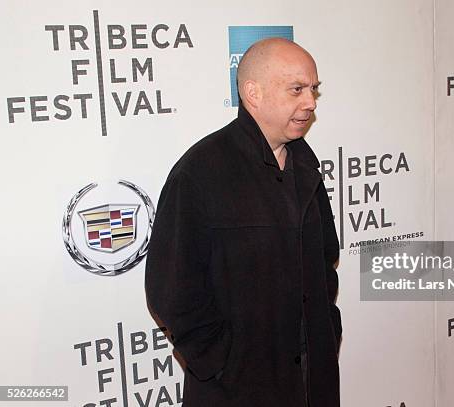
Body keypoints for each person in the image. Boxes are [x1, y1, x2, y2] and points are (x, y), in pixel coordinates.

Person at [145, 38, 342, 407]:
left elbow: (324, 262)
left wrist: (327, 329)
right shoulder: (200, 172)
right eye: (296, 89)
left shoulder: (306, 166)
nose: (310, 103)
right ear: (253, 93)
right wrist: (222, 363)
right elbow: (172, 290)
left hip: (312, 383)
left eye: (313, 89)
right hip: (236, 391)